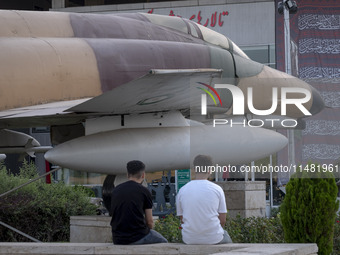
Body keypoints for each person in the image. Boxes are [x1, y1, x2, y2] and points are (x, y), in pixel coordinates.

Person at [176, 155, 232, 244]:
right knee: (226, 236)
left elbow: (182, 220)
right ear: (210, 170)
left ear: (194, 169)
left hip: (189, 239)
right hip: (214, 238)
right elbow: (222, 220)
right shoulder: (217, 189)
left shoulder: (182, 190)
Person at [110, 160, 168, 245]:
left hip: (117, 238)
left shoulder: (116, 190)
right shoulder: (144, 191)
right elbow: (150, 222)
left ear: (127, 175)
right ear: (143, 175)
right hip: (138, 236)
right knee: (164, 242)